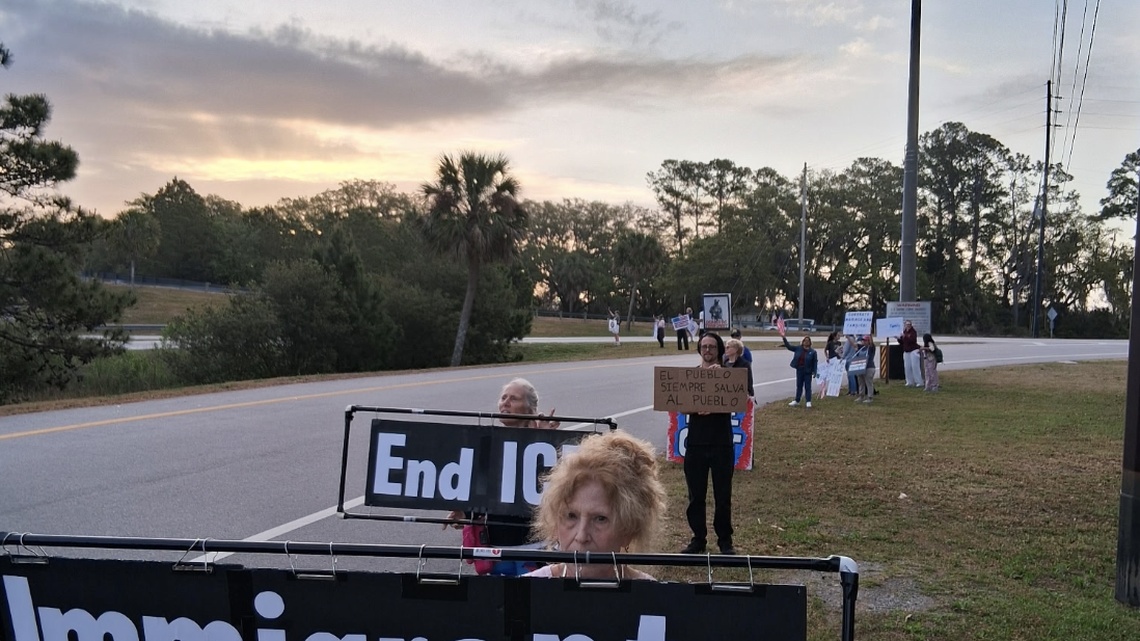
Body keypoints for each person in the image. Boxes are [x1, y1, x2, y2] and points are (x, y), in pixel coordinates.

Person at [444, 378, 560, 575]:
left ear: (530, 409)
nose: (505, 402)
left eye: (514, 399)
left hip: (535, 548)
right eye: (503, 397)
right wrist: (465, 514)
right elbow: (484, 491)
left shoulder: (545, 446)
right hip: (496, 548)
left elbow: (559, 488)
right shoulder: (489, 444)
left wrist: (547, 440)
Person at [525, 430, 666, 580]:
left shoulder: (649, 592)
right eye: (571, 516)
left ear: (629, 530)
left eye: (600, 519)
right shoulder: (526, 588)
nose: (581, 536)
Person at [681, 332, 736, 555]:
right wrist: (696, 408)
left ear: (719, 350)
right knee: (696, 496)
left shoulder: (729, 375)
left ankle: (725, 541)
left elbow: (739, 400)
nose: (708, 350)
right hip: (696, 443)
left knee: (723, 496)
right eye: (704, 346)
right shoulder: (691, 376)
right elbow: (682, 406)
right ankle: (698, 539)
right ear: (699, 349)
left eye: (712, 347)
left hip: (722, 443)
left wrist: (722, 377)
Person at [780, 329, 818, 408]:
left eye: (808, 341)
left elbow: (815, 362)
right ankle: (797, 400)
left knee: (808, 386)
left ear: (810, 342)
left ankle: (808, 401)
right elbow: (789, 347)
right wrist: (784, 338)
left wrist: (815, 371)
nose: (806, 342)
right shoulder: (798, 348)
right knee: (799, 385)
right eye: (805, 340)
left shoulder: (813, 352)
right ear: (802, 342)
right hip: (800, 370)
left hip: (808, 371)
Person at [846, 335, 877, 403]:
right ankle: (861, 396)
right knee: (861, 382)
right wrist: (848, 337)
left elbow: (872, 343)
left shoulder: (871, 348)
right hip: (860, 367)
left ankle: (870, 397)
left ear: (868, 341)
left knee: (868, 382)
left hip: (869, 367)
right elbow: (853, 344)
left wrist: (870, 334)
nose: (863, 341)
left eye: (865, 340)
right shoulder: (861, 347)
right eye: (863, 340)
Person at [898, 320, 923, 388]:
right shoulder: (904, 331)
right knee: (907, 367)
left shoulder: (913, 332)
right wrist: (898, 338)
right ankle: (909, 382)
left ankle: (919, 382)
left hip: (913, 350)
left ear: (911, 325)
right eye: (907, 324)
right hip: (906, 351)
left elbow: (913, 340)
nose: (908, 326)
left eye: (909, 324)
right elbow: (902, 342)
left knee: (915, 367)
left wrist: (905, 336)